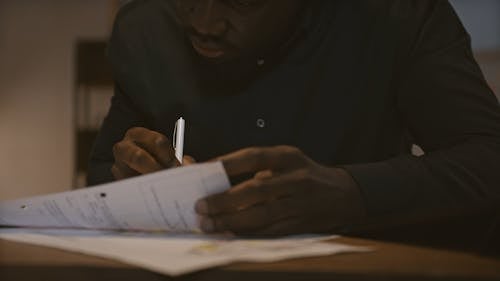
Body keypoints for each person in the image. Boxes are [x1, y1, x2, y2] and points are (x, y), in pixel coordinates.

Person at [88, 0, 500, 236]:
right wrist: (134, 178)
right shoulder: (144, 26)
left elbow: (488, 157)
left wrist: (354, 192)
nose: (204, 24)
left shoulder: (398, 15)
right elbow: (101, 171)